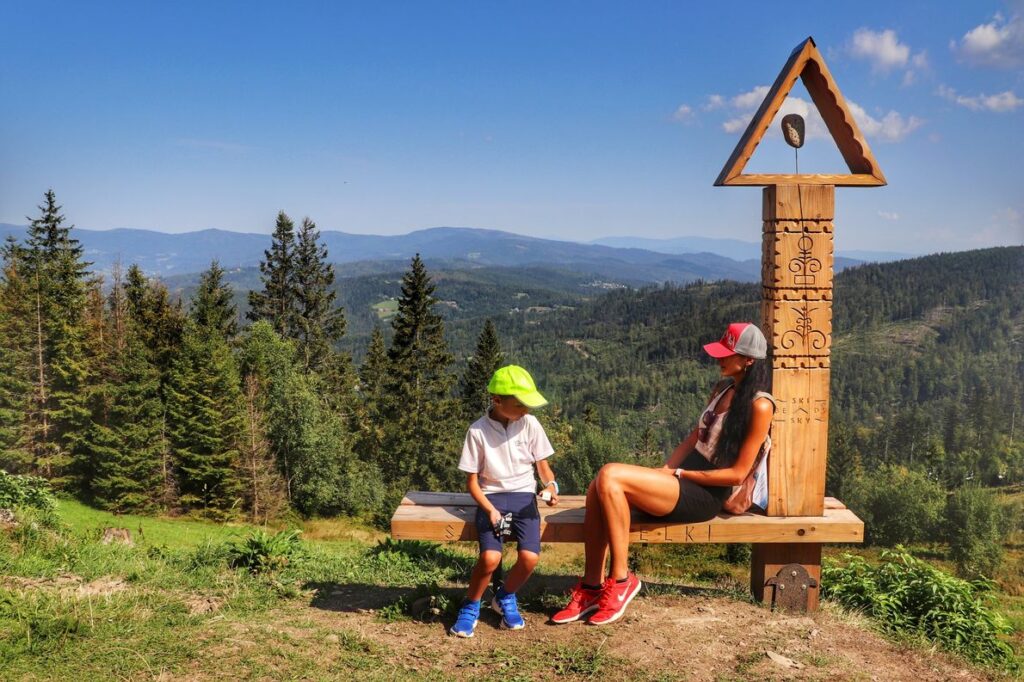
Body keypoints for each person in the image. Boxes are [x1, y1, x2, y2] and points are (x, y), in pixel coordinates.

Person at [552, 322, 775, 626]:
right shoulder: (724, 388)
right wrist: (668, 469)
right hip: (683, 480)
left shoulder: (760, 405)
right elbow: (695, 435)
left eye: (727, 354)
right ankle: (592, 586)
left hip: (706, 494)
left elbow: (736, 475)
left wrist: (682, 474)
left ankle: (620, 581)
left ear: (749, 360)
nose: (718, 359)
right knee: (597, 486)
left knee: (610, 474)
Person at [449, 365, 560, 637]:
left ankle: (505, 596)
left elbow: (542, 465)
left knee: (530, 558)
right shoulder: (477, 432)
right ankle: (471, 604)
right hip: (491, 499)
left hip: (525, 498)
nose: (526, 410)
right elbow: (472, 483)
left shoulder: (531, 424)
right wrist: (489, 509)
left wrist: (551, 486)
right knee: (489, 558)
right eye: (520, 404)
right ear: (497, 401)